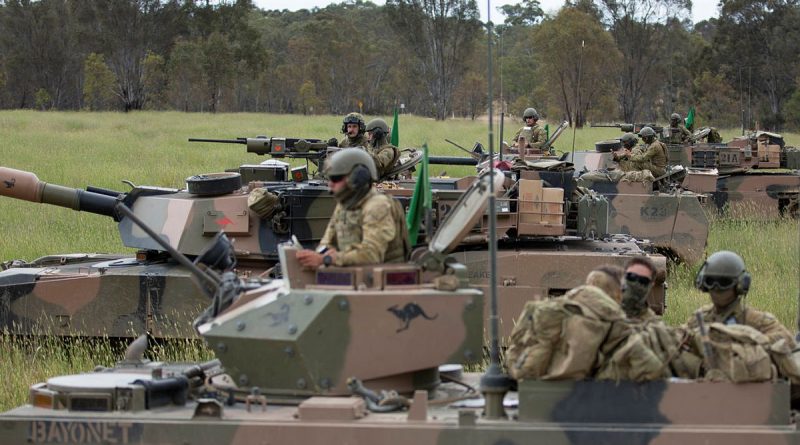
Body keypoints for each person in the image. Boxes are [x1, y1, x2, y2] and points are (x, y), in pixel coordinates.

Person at [296, 148, 408, 268]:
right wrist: (314, 257)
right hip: (355, 276)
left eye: (336, 179)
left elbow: (371, 255)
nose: (330, 184)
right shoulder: (345, 204)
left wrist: (327, 259)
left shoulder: (377, 206)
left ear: (357, 178)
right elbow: (327, 243)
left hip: (385, 280)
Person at [687, 250, 795, 345]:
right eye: (710, 281)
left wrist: (746, 339)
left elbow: (787, 342)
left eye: (724, 282)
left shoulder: (758, 321)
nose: (716, 288)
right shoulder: (699, 318)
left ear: (740, 285)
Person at [620, 256, 659, 322]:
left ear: (651, 285)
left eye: (643, 280)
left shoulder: (652, 324)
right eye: (631, 277)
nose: (635, 283)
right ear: (622, 276)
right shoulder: (602, 307)